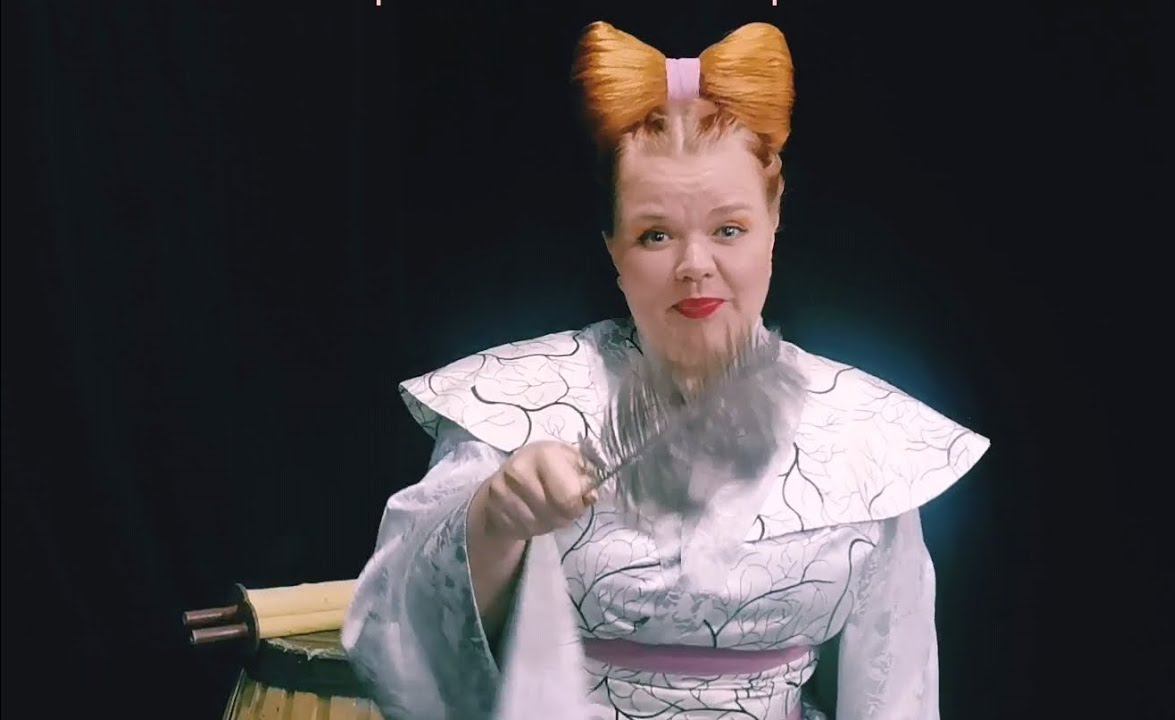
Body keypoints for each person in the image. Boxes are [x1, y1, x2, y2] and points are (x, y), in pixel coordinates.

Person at [342, 20, 990, 720]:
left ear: (775, 221)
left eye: (729, 229)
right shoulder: (515, 409)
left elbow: (895, 689)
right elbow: (393, 632)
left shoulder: (865, 436)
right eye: (656, 235)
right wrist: (495, 518)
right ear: (612, 247)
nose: (694, 265)